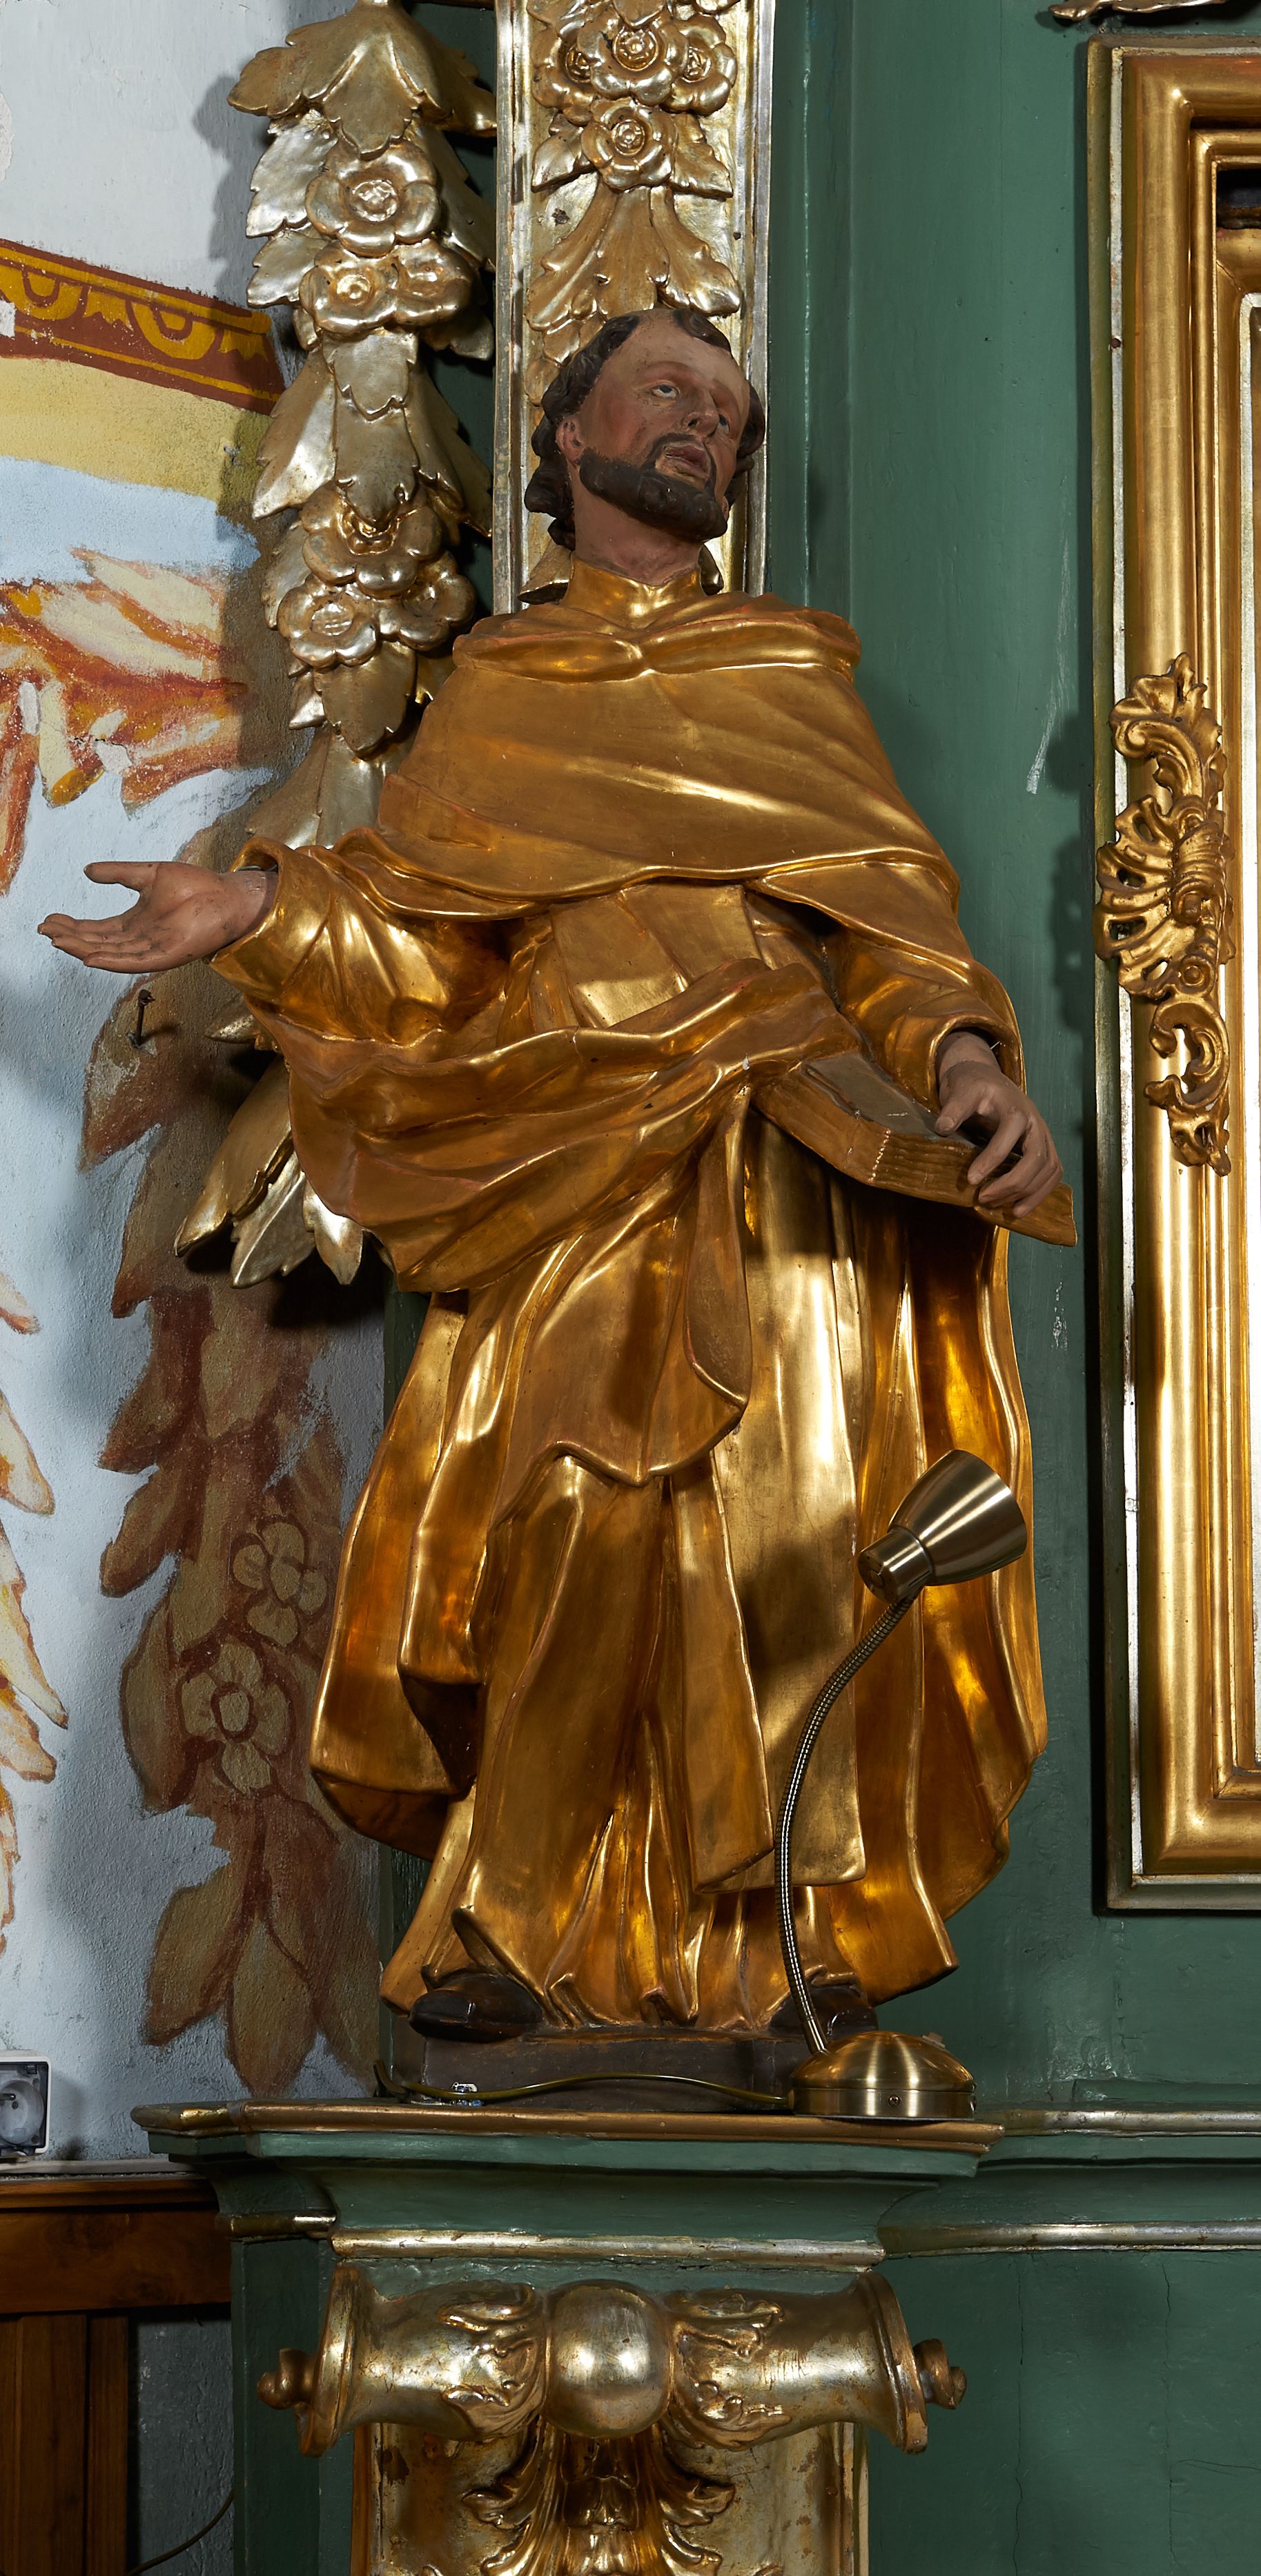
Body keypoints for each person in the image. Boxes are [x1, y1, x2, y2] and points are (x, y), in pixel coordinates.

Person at [41, 308, 1063, 2042]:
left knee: (792, 1529)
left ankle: (777, 1939)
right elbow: (420, 957)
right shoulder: (500, 692)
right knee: (567, 1505)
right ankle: (510, 1924)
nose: (703, 426)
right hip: (569, 1155)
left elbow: (894, 936)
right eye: (667, 391)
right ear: (568, 432)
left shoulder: (784, 678)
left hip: (781, 1145)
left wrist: (965, 1061)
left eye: (726, 414)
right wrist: (258, 911)